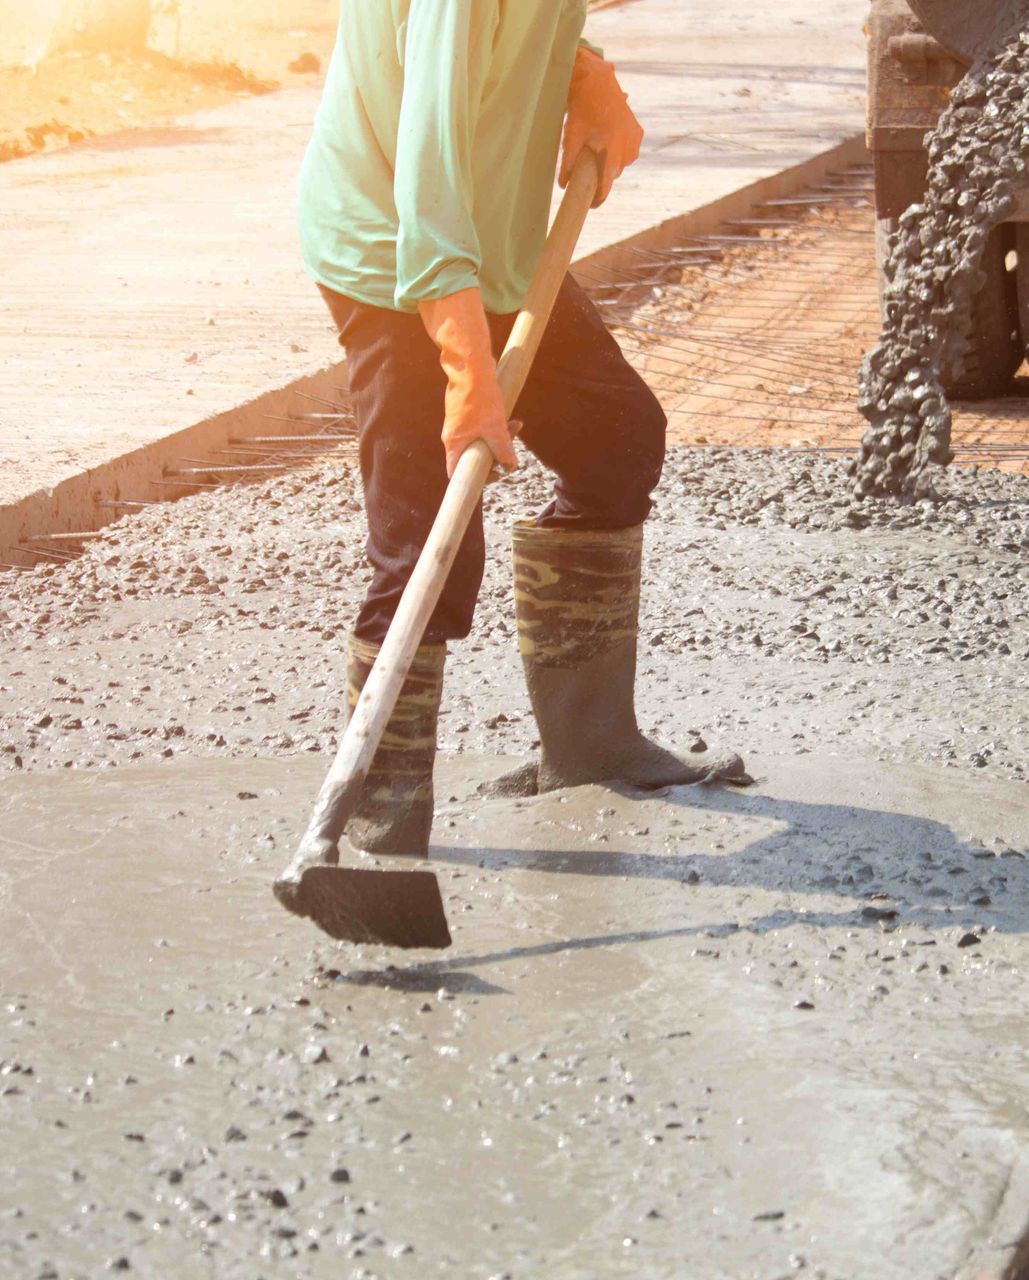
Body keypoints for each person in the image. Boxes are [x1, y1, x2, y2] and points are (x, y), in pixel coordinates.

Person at [278, 0, 747, 911]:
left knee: (616, 437)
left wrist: (584, 70)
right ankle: (377, 830)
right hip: (397, 256)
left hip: (487, 242)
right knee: (427, 543)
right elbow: (427, 170)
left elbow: (520, 36)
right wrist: (468, 370)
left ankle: (590, 741)